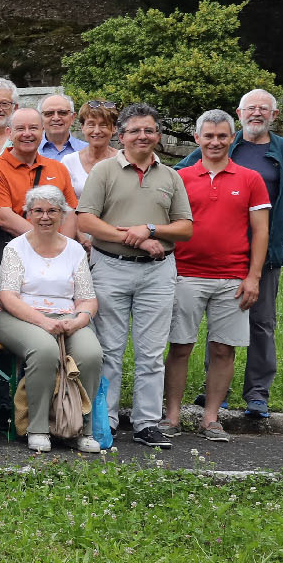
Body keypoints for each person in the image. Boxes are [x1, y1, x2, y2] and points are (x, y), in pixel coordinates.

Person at [174, 89, 283, 419]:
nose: (257, 113)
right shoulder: (223, 144)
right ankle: (216, 393)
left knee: (260, 323)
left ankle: (258, 393)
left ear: (274, 115)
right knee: (218, 325)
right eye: (251, 108)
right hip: (216, 255)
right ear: (240, 113)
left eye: (264, 109)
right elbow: (179, 175)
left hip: (263, 252)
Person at [76, 103, 193, 449]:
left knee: (151, 352)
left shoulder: (170, 176)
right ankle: (107, 420)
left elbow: (185, 228)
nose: (142, 136)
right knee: (109, 349)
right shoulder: (104, 171)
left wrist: (152, 229)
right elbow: (86, 220)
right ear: (121, 135)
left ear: (158, 135)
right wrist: (134, 237)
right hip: (111, 266)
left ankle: (146, 423)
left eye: (149, 130)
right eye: (135, 130)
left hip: (157, 273)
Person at [166, 110, 270, 441]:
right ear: (196, 139)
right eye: (208, 136)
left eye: (222, 136)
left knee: (224, 349)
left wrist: (253, 277)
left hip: (233, 279)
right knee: (180, 346)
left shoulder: (250, 178)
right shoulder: (179, 177)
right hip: (186, 274)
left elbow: (261, 231)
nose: (215, 142)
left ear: (232, 138)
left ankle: (211, 418)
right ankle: (171, 416)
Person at [0, 185, 103, 453]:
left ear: (62, 214)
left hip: (66, 317)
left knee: (91, 354)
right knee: (44, 349)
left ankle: (81, 429)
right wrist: (43, 322)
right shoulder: (16, 248)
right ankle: (37, 428)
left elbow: (88, 298)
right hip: (17, 315)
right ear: (28, 214)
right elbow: (7, 296)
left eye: (52, 211)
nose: (45, 216)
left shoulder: (75, 250)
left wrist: (78, 320)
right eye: (38, 210)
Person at [0, 107, 79, 265]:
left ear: (42, 132)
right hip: (17, 254)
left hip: (59, 256)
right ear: (9, 133)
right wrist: (48, 244)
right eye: (20, 128)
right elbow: (4, 218)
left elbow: (70, 212)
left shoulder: (58, 168)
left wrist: (63, 249)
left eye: (33, 128)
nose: (27, 133)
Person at [61, 100, 120, 196]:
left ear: (114, 128)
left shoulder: (124, 160)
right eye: (91, 124)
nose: (96, 131)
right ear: (82, 127)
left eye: (103, 125)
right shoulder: (69, 162)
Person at [38, 93, 86, 161]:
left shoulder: (87, 150)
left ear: (72, 117)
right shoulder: (29, 151)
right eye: (49, 113)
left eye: (62, 113)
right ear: (40, 118)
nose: (56, 118)